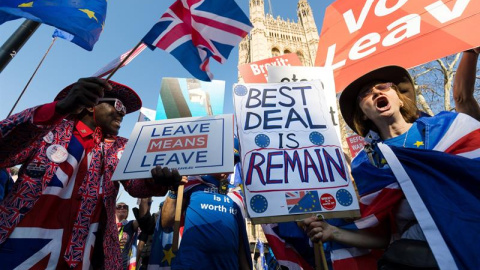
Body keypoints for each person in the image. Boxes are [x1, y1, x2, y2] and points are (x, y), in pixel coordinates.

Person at [303, 62, 480, 269]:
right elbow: (381, 237)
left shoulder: (449, 128)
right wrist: (331, 231)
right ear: (363, 114)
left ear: (400, 99)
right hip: (418, 254)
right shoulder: (367, 165)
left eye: (384, 86)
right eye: (366, 94)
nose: (376, 91)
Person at [0, 78, 184, 269]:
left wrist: (156, 181)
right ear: (90, 105)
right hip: (18, 248)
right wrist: (58, 109)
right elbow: (5, 149)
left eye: (124, 111)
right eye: (118, 105)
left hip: (85, 257)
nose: (122, 113)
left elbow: (137, 185)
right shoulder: (49, 127)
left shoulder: (120, 146)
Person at [159, 138, 253, 270]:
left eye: (232, 160)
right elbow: (166, 222)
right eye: (224, 158)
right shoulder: (191, 183)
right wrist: (174, 191)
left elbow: (242, 243)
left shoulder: (237, 195)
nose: (227, 165)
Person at [115, 202, 139, 270]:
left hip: (123, 265)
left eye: (125, 207)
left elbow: (140, 222)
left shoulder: (130, 224)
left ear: (127, 211)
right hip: (108, 263)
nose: (122, 208)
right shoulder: (108, 225)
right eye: (118, 207)